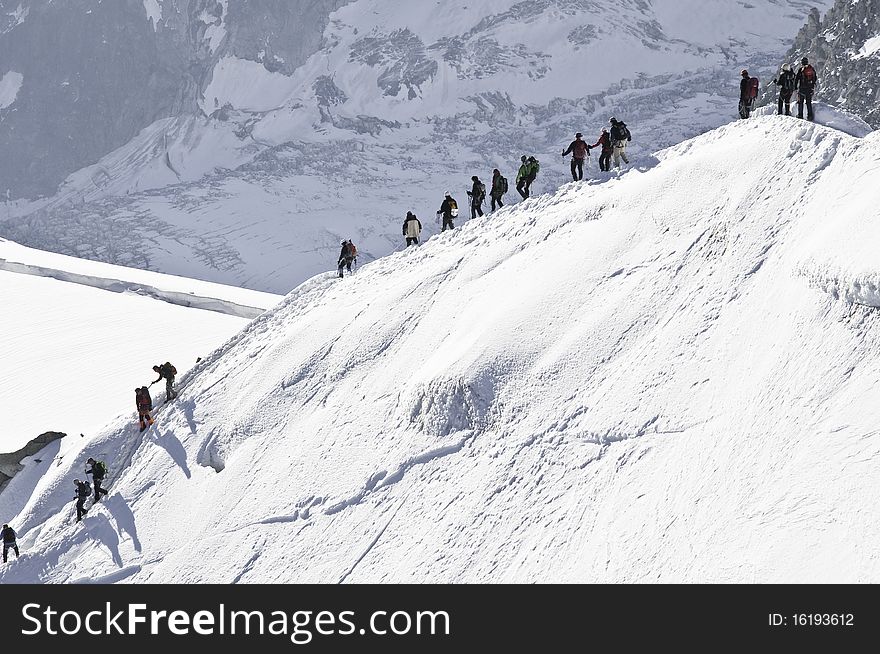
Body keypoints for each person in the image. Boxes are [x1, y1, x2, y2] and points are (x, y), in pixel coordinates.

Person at [796, 57, 818, 121]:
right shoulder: (811, 69)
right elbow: (815, 78)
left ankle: (800, 115)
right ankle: (810, 116)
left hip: (802, 89)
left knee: (801, 102)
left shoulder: (801, 70)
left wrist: (795, 87)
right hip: (809, 89)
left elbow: (797, 79)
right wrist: (812, 85)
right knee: (808, 103)